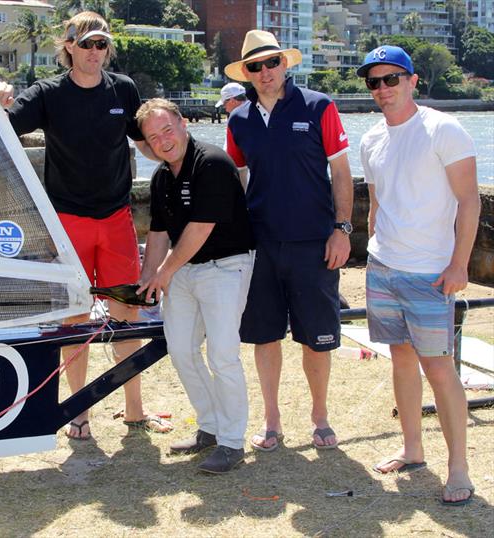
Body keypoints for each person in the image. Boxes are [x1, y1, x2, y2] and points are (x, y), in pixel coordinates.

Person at [0, 11, 172, 440]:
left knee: (127, 314)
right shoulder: (49, 94)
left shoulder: (123, 90)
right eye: (86, 43)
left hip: (115, 221)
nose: (95, 51)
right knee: (74, 319)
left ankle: (134, 411)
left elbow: (148, 142)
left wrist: (181, 160)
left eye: (101, 44)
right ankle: (79, 414)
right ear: (68, 46)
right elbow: (1, 125)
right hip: (67, 222)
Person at [357, 46, 479, 505]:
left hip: (430, 273)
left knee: (440, 369)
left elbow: (470, 201)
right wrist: (371, 254)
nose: (383, 88)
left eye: (392, 79)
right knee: (402, 360)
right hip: (383, 267)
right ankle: (412, 448)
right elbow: (379, 205)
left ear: (412, 81)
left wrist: (458, 264)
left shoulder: (443, 129)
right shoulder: (372, 140)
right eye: (375, 81)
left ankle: (459, 469)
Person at [224, 30, 353, 451]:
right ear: (246, 73)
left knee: (316, 336)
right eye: (255, 66)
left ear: (285, 64)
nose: (265, 72)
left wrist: (343, 229)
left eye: (271, 63)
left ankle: (320, 417)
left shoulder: (319, 106)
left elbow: (342, 173)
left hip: (314, 243)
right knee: (264, 335)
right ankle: (272, 420)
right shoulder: (238, 120)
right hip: (260, 245)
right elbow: (236, 178)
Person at [136, 99, 254, 473]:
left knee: (222, 354)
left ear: (184, 123)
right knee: (182, 350)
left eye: (167, 130)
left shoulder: (213, 163)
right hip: (184, 268)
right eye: (154, 138)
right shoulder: (161, 177)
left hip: (226, 266)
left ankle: (233, 443)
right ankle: (210, 426)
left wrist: (164, 273)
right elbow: (158, 232)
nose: (163, 141)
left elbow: (200, 229)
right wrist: (146, 277)